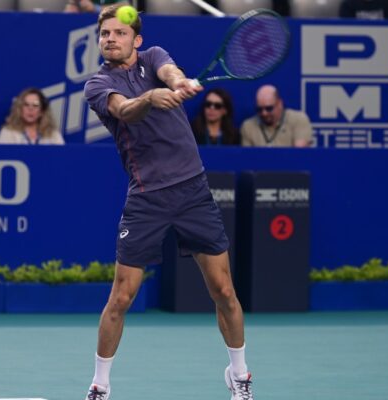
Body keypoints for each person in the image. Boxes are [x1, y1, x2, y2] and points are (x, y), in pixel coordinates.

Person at [83, 5, 252, 400]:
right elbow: (124, 109)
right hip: (146, 197)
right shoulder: (97, 84)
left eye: (118, 33)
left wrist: (177, 82)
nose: (110, 38)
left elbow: (170, 73)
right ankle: (99, 385)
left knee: (224, 290)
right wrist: (152, 98)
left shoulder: (155, 56)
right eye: (105, 33)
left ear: (135, 40)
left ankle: (240, 375)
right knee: (121, 297)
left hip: (193, 190)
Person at [240, 85, 313, 147]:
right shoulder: (248, 126)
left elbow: (299, 155)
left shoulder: (298, 119)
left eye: (269, 108)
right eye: (259, 109)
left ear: (280, 104)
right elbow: (247, 159)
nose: (264, 113)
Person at [0, 88, 65, 145]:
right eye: (26, 105)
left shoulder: (53, 134)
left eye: (35, 105)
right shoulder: (8, 132)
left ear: (41, 111)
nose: (30, 109)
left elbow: (63, 156)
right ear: (19, 110)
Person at [65, 0, 129, 13]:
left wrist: (95, 8)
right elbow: (71, 7)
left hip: (112, 22)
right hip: (86, 24)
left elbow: (125, 6)